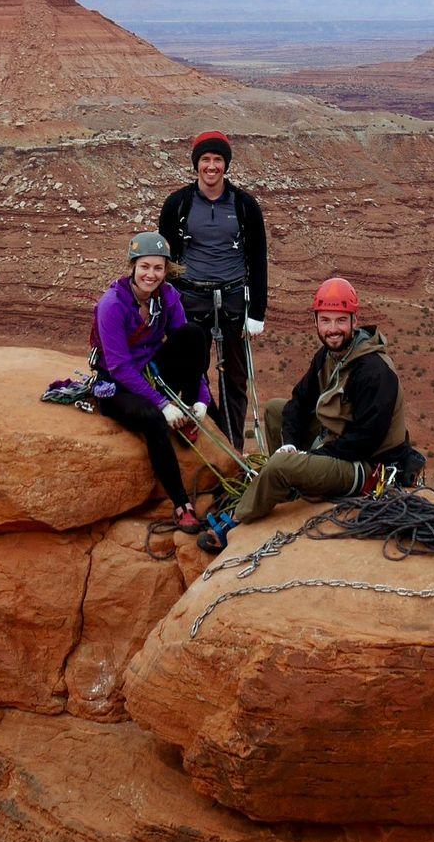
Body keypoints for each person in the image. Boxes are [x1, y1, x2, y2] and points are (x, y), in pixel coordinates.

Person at [198, 276, 416, 550]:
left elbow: (366, 441)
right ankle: (288, 484)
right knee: (275, 410)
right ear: (316, 322)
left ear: (353, 321)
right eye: (326, 320)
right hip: (337, 443)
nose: (333, 329)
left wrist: (310, 457)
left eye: (340, 320)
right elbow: (297, 403)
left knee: (280, 466)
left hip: (367, 467)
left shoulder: (374, 370)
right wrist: (290, 444)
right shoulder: (327, 357)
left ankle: (236, 519)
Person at [90, 231, 214, 531]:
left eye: (158, 268)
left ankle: (188, 415)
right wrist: (161, 404)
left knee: (195, 334)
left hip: (152, 370)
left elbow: (186, 346)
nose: (151, 274)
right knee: (152, 420)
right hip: (116, 383)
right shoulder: (113, 305)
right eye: (145, 266)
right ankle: (182, 504)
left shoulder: (167, 296)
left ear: (166, 270)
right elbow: (119, 367)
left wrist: (201, 399)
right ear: (132, 266)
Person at [157, 131, 269, 445]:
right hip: (191, 300)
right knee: (194, 372)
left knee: (234, 379)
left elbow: (258, 259)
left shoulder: (245, 205)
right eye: (205, 159)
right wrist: (166, 304)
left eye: (217, 159)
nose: (211, 166)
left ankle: (232, 446)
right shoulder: (177, 204)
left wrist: (257, 312)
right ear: (197, 165)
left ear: (225, 165)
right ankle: (206, 435)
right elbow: (164, 260)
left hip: (234, 301)